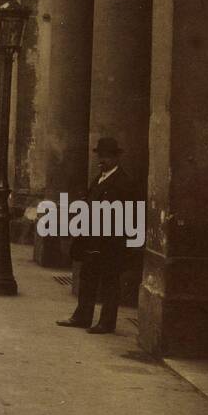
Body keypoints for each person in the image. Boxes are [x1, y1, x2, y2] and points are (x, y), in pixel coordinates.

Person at [57, 136, 135, 334]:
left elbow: (125, 215)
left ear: (116, 158)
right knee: (87, 277)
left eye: (107, 156)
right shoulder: (99, 178)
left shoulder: (123, 182)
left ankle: (106, 323)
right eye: (100, 155)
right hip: (92, 238)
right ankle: (82, 316)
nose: (102, 160)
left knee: (109, 282)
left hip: (110, 242)